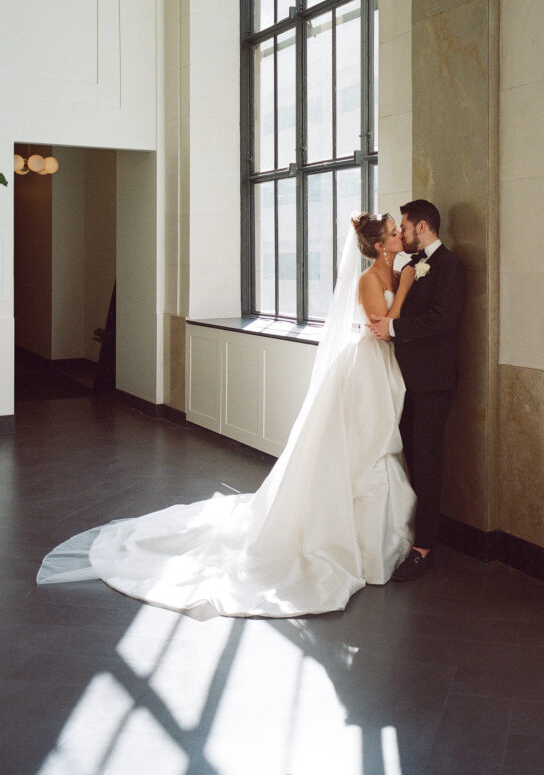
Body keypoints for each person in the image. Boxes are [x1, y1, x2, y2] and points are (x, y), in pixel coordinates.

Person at [36, 213, 416, 618]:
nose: (400, 237)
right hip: (365, 363)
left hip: (384, 366)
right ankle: (342, 538)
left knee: (376, 441)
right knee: (362, 440)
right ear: (380, 246)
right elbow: (381, 325)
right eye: (394, 233)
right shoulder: (370, 280)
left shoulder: (392, 272)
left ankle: (380, 537)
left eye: (399, 231)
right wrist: (407, 287)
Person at [368, 199, 466, 580]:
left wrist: (393, 329)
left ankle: (424, 546)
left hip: (433, 383)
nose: (403, 235)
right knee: (405, 457)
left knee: (427, 462)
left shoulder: (451, 266)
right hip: (404, 383)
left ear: (422, 227)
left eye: (405, 228)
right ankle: (404, 532)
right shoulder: (409, 267)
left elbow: (443, 320)